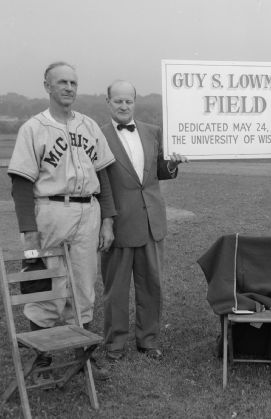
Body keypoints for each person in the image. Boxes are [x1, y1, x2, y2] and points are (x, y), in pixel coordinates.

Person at [8, 61, 116, 381]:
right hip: (50, 210)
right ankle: (39, 354)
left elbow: (104, 177)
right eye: (62, 82)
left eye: (73, 83)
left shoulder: (89, 125)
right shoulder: (33, 127)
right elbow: (21, 183)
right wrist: (28, 230)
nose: (69, 88)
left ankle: (82, 352)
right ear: (48, 86)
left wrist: (108, 220)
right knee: (43, 281)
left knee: (84, 283)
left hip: (88, 210)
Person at [100, 80, 188, 361]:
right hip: (118, 224)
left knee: (152, 285)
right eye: (118, 101)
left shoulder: (152, 132)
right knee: (116, 288)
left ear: (135, 102)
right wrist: (107, 221)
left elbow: (159, 170)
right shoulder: (98, 136)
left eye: (129, 101)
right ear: (108, 102)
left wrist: (172, 164)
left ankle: (147, 340)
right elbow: (100, 184)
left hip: (152, 221)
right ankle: (115, 342)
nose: (124, 106)